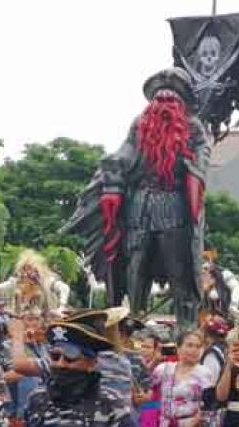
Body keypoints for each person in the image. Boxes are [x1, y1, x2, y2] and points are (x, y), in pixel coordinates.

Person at [65, 67, 211, 329]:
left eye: (171, 100)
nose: (164, 105)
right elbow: (125, 153)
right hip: (139, 207)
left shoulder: (194, 128)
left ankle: (186, 323)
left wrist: (192, 164)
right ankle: (133, 319)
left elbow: (202, 160)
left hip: (174, 206)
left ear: (181, 103)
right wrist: (112, 171)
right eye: (160, 99)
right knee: (135, 263)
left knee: (179, 266)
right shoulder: (140, 124)